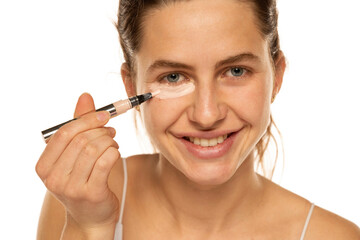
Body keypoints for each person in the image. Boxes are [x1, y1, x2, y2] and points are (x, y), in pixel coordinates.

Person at [35, 0, 360, 239]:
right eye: (173, 77)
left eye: (235, 71)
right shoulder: (81, 198)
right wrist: (90, 227)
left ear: (277, 77)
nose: (206, 115)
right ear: (131, 86)